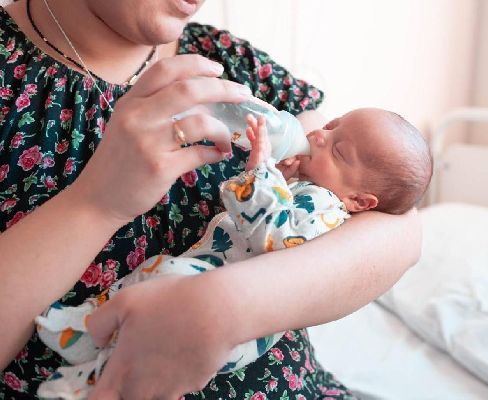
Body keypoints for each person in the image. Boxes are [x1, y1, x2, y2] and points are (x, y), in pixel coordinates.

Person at [0, 1, 423, 399]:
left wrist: (219, 308)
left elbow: (399, 227)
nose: (319, 138)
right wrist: (97, 202)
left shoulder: (225, 62)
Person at [34, 110, 432, 399]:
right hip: (200, 274)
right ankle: (88, 331)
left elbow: (275, 236)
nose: (320, 136)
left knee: (148, 336)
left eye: (339, 151)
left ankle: (88, 378)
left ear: (360, 201)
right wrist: (282, 177)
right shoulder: (311, 190)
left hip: (226, 327)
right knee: (154, 277)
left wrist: (262, 171)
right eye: (331, 126)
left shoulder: (326, 208)